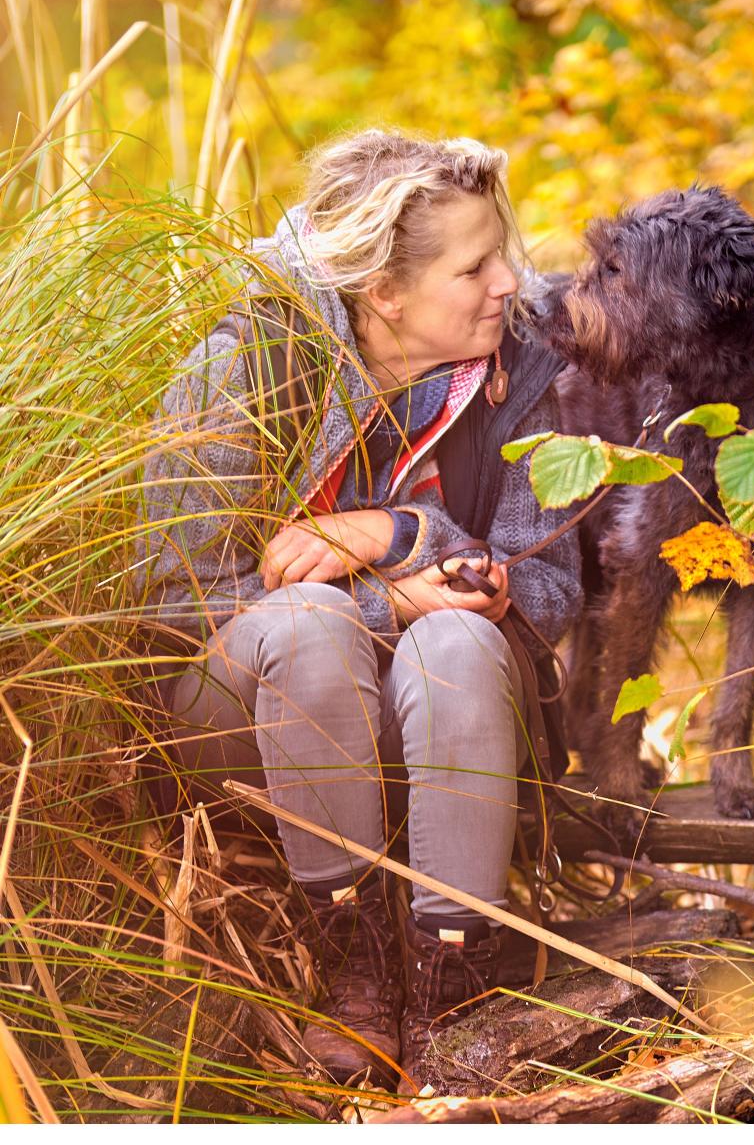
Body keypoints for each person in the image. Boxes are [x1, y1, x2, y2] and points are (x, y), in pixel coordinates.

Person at [133, 130, 582, 1089]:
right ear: (385, 292)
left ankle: (452, 972)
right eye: (475, 266)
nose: (510, 282)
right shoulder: (245, 357)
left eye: (502, 251)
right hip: (253, 726)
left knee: (459, 635)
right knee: (309, 622)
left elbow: (551, 588)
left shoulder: (521, 364)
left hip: (447, 721)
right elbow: (169, 606)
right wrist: (379, 599)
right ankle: (354, 953)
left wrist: (403, 534)